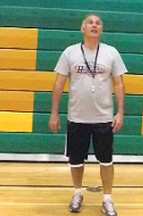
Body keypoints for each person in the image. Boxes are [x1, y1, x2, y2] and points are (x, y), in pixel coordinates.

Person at [49, 13, 127, 216]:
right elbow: (59, 83)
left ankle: (107, 198)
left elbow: (118, 83)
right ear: (82, 29)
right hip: (77, 118)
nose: (94, 25)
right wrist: (54, 113)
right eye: (90, 23)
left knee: (106, 160)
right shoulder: (70, 52)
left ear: (101, 30)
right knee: (76, 160)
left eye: (98, 23)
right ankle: (77, 193)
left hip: (103, 118)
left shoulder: (111, 53)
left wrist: (120, 112)